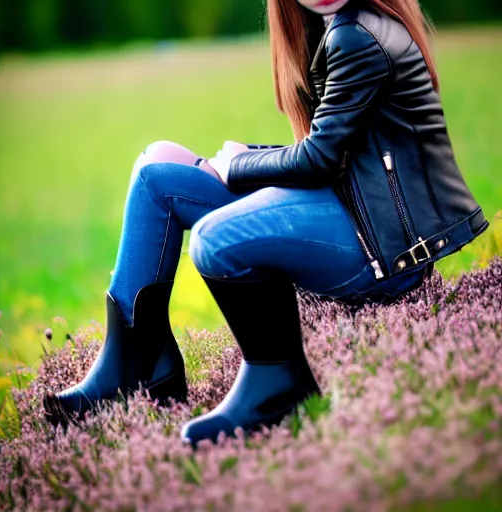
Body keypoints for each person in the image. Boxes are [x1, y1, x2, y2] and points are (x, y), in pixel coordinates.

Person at [43, 0, 488, 446]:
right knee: (155, 171)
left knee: (215, 238)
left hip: (379, 253)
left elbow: (319, 160)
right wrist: (247, 157)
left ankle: (278, 380)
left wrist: (238, 165)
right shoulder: (336, 25)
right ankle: (139, 365)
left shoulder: (358, 35)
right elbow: (335, 152)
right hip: (352, 211)